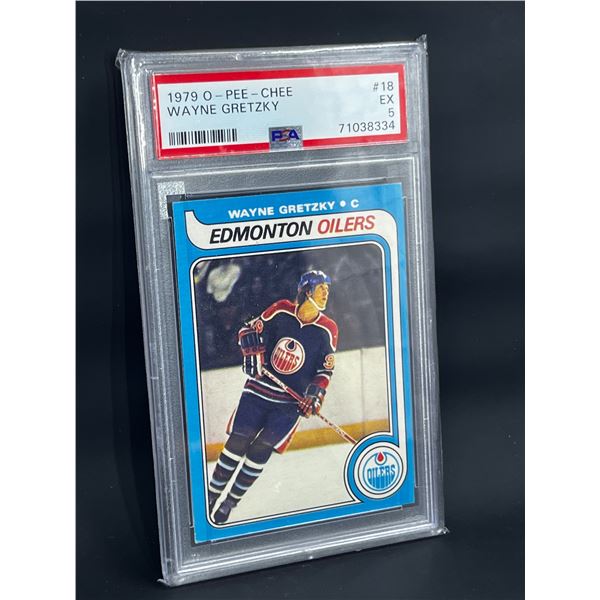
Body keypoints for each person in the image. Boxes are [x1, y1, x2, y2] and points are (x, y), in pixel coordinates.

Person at [207, 270, 338, 524]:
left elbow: (325, 370)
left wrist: (315, 395)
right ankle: (211, 496)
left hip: (289, 404)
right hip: (258, 391)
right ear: (306, 291)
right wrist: (250, 349)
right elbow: (249, 330)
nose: (326, 294)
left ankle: (229, 502)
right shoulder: (281, 310)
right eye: (321, 288)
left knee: (260, 450)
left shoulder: (328, 329)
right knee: (238, 442)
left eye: (327, 290)